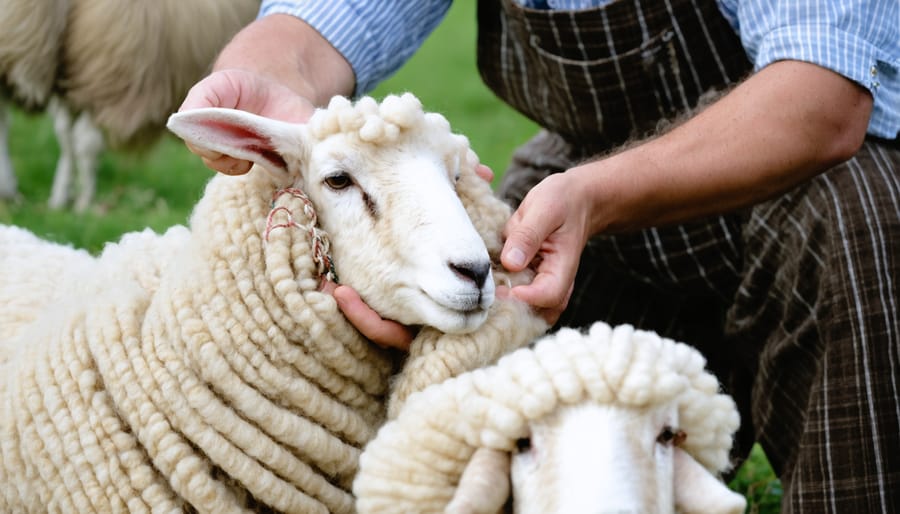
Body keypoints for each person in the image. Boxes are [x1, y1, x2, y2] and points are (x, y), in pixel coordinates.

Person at [179, 1, 899, 511]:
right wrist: (262, 79)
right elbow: (319, 28)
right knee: (474, 354)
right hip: (592, 193)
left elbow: (823, 100)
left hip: (822, 193)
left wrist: (592, 195)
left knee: (858, 217)